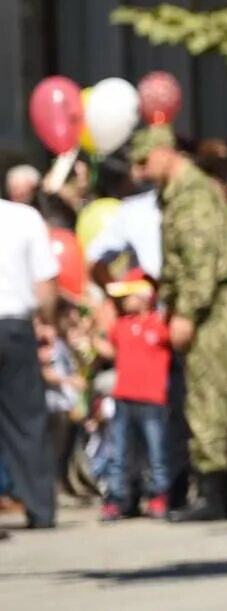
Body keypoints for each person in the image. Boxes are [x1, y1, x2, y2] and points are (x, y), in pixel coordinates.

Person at [133, 125, 227, 522]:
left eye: (144, 161)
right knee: (213, 399)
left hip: (208, 308)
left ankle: (214, 495)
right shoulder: (177, 194)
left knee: (206, 401)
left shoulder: (192, 194)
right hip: (207, 304)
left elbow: (200, 260)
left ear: (165, 153)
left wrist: (185, 313)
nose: (140, 172)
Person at [0, 192, 59, 533]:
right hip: (15, 326)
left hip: (16, 324)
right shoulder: (25, 218)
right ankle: (41, 507)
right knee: (27, 420)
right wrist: (47, 322)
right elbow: (46, 283)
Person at [97, 269, 174, 520]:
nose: (123, 301)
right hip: (124, 397)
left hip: (153, 399)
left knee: (156, 452)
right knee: (119, 453)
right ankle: (117, 497)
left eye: (127, 296)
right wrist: (87, 334)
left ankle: (158, 494)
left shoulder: (159, 324)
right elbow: (109, 351)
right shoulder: (121, 325)